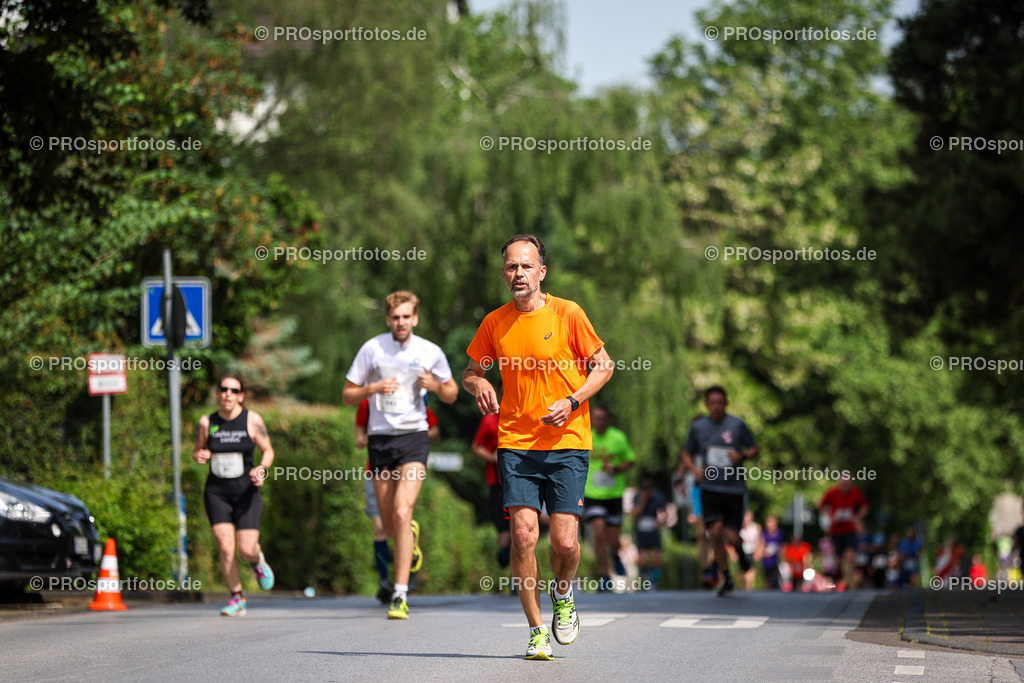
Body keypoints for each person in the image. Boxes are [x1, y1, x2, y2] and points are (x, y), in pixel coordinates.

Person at [463, 234, 614, 661]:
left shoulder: (568, 313)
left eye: (526, 266)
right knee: (524, 535)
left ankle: (562, 595)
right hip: (515, 443)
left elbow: (604, 365)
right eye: (511, 266)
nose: (518, 274)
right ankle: (535, 631)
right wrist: (480, 384)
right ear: (504, 272)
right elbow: (471, 371)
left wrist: (572, 401)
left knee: (565, 544)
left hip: (567, 442)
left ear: (541, 271)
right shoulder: (495, 322)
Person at [343, 290, 459, 620]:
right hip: (380, 441)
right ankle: (411, 538)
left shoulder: (429, 351)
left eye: (406, 317)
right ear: (387, 319)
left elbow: (451, 393)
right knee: (391, 524)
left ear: (415, 318)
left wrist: (435, 386)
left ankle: (400, 594)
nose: (401, 322)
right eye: (395, 317)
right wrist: (372, 388)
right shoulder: (372, 349)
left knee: (403, 509)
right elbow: (348, 395)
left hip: (414, 438)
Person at [192, 373, 275, 616]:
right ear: (217, 393)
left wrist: (262, 468)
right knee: (226, 546)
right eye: (223, 389)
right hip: (217, 492)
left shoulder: (253, 420)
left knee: (246, 549)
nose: (228, 394)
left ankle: (257, 560)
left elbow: (268, 450)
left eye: (233, 390)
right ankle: (237, 597)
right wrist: (199, 455)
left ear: (241, 396)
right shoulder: (207, 422)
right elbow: (198, 450)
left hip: (246, 492)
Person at [356, 398, 439, 604]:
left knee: (401, 516)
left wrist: (412, 437)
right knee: (382, 527)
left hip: (405, 465)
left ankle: (397, 587)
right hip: (377, 470)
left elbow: (435, 431)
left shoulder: (413, 401)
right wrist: (361, 438)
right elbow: (359, 428)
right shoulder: (368, 402)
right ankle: (384, 580)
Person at [678, 386, 759, 596]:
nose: (716, 406)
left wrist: (742, 456)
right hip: (710, 487)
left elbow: (754, 448)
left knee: (732, 537)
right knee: (713, 532)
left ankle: (741, 553)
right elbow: (686, 453)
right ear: (706, 405)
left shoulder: (737, 425)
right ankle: (727, 577)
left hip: (734, 488)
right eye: (712, 403)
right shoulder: (699, 428)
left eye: (720, 402)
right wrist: (695, 471)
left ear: (726, 403)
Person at [583, 404, 636, 591]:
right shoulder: (585, 435)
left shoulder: (618, 438)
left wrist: (616, 469)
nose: (598, 422)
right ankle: (605, 576)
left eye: (601, 418)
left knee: (613, 539)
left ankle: (616, 555)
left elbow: (630, 460)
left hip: (613, 494)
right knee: (598, 534)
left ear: (608, 420)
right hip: (593, 494)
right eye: (595, 418)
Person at [470, 402, 513, 578]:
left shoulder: (527, 416)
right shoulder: (489, 420)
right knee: (503, 528)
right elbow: (475, 447)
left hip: (521, 482)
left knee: (519, 527)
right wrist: (492, 457)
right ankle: (505, 552)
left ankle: (516, 576)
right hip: (497, 483)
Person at [819, 473, 869, 590]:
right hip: (836, 530)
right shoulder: (833, 492)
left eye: (848, 483)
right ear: (840, 482)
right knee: (839, 558)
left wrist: (857, 517)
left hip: (849, 529)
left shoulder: (855, 493)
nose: (845, 485)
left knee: (850, 555)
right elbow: (821, 505)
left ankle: (848, 580)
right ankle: (838, 579)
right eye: (843, 482)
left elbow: (865, 507)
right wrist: (831, 516)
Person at [632, 477, 667, 589]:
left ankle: (655, 581)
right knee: (642, 557)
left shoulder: (658, 497)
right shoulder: (637, 497)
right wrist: (643, 500)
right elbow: (635, 514)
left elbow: (664, 513)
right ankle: (646, 579)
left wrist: (660, 521)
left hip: (653, 529)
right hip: (641, 529)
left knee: (656, 556)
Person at [759, 515, 784, 590]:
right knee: (767, 579)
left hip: (776, 560)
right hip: (766, 561)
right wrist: (763, 553)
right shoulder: (764, 534)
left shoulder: (780, 534)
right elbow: (761, 545)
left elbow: (782, 546)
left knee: (776, 578)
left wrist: (782, 555)